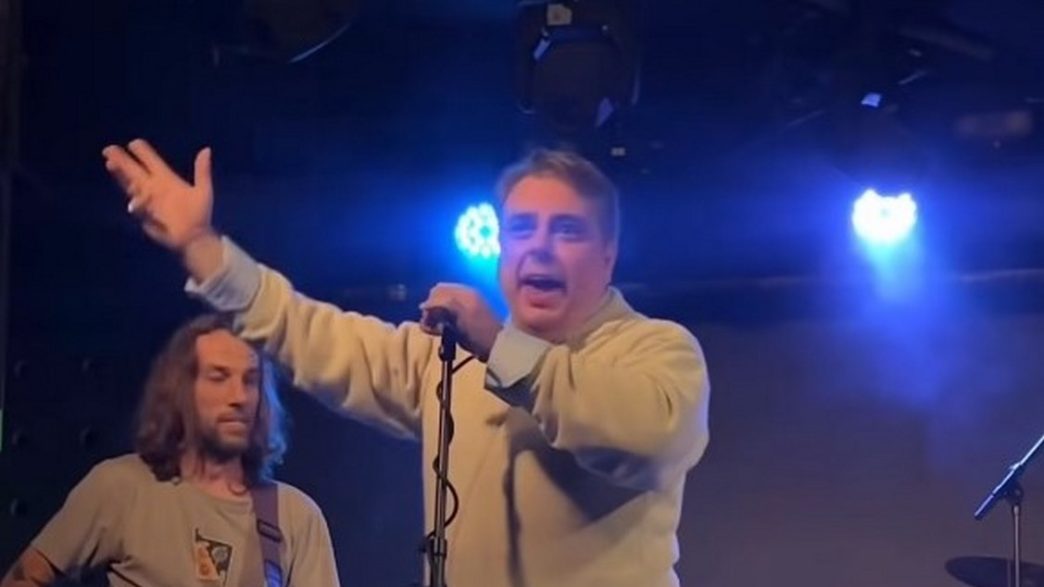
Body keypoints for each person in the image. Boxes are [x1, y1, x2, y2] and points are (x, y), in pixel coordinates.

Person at [101, 139, 710, 587]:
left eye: (568, 231)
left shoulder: (654, 350)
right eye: (522, 228)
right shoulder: (452, 359)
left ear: (608, 256)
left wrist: (499, 346)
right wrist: (201, 248)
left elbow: (644, 434)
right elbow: (311, 334)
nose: (540, 247)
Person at [0, 314, 340, 587]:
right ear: (181, 391)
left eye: (250, 380)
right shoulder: (120, 488)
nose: (239, 397)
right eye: (219, 377)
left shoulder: (294, 516)